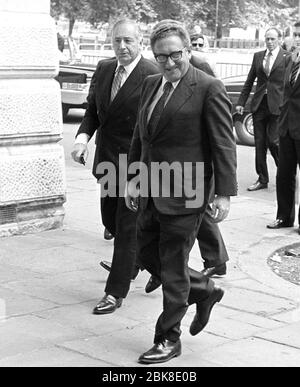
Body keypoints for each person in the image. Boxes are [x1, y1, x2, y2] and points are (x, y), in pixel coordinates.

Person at [126, 20, 237, 364]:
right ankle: (205, 290)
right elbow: (141, 136)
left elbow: (223, 142)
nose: (169, 62)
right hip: (150, 189)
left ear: (188, 50)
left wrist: (223, 192)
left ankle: (167, 338)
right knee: (145, 255)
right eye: (161, 57)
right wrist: (132, 176)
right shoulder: (149, 84)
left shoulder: (208, 87)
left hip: (188, 192)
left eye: (175, 54)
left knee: (173, 265)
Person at [71, 19, 159, 315]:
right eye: (117, 40)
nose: (122, 46)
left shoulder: (153, 74)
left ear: (140, 41)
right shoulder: (105, 68)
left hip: (136, 166)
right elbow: (93, 110)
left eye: (128, 41)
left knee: (126, 227)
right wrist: (82, 139)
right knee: (110, 219)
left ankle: (115, 291)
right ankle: (156, 265)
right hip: (108, 161)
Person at [236, 28, 291, 192]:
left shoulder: (287, 58)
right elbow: (250, 80)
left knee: (273, 142)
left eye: (273, 39)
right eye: (267, 39)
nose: (269, 42)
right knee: (259, 144)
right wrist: (241, 102)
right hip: (259, 105)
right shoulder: (258, 56)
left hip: (278, 106)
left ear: (279, 39)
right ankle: (262, 179)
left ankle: (286, 176)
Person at [267, 22, 300, 231]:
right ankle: (284, 217)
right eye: (296, 35)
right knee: (284, 174)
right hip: (287, 127)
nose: (298, 39)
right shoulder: (293, 59)